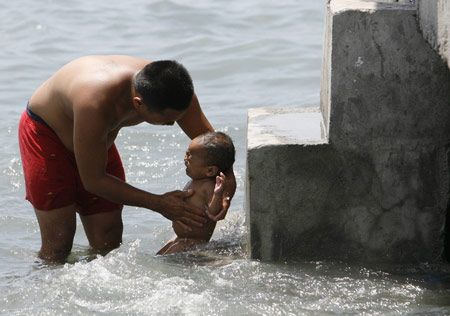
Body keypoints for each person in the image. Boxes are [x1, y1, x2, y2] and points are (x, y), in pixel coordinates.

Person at [18, 55, 236, 263]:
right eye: (167, 120)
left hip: (97, 141)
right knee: (59, 242)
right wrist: (158, 203)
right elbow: (93, 181)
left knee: (108, 238)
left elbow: (219, 152)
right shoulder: (94, 102)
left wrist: (226, 190)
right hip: (47, 137)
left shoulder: (174, 92)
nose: (173, 124)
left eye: (177, 118)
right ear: (138, 104)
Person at [157, 132, 235, 255]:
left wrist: (218, 194)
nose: (185, 159)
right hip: (181, 238)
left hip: (194, 241)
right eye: (186, 153)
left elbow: (213, 212)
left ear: (210, 170)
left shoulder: (208, 186)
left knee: (164, 261)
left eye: (190, 157)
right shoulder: (195, 181)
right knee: (159, 255)